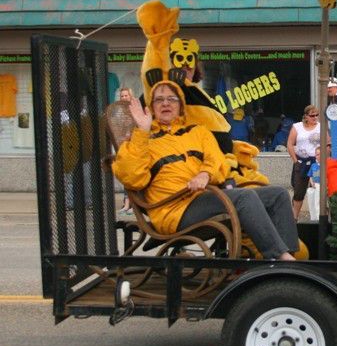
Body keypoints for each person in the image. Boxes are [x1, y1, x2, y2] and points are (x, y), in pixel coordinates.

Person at [112, 80, 298, 260]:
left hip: (205, 198)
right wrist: (142, 132)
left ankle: (289, 255)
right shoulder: (142, 140)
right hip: (173, 210)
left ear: (181, 105)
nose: (166, 103)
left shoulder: (198, 132)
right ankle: (280, 258)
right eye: (159, 99)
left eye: (172, 99)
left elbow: (218, 161)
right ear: (151, 107)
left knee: (279, 194)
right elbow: (132, 178)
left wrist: (205, 173)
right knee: (244, 197)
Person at [286, 105, 321, 220]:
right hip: (301, 161)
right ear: (306, 116)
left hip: (316, 163)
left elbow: (328, 143)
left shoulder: (321, 127)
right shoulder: (297, 127)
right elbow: (290, 144)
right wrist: (295, 161)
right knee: (299, 191)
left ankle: (318, 216)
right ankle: (294, 217)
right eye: (312, 115)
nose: (315, 118)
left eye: (317, 115)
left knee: (317, 188)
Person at [118, 87, 134, 215]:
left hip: (135, 148)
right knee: (125, 177)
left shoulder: (135, 110)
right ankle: (127, 203)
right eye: (122, 96)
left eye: (126, 95)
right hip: (124, 147)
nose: (124, 98)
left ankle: (134, 205)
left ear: (130, 96)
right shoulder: (118, 112)